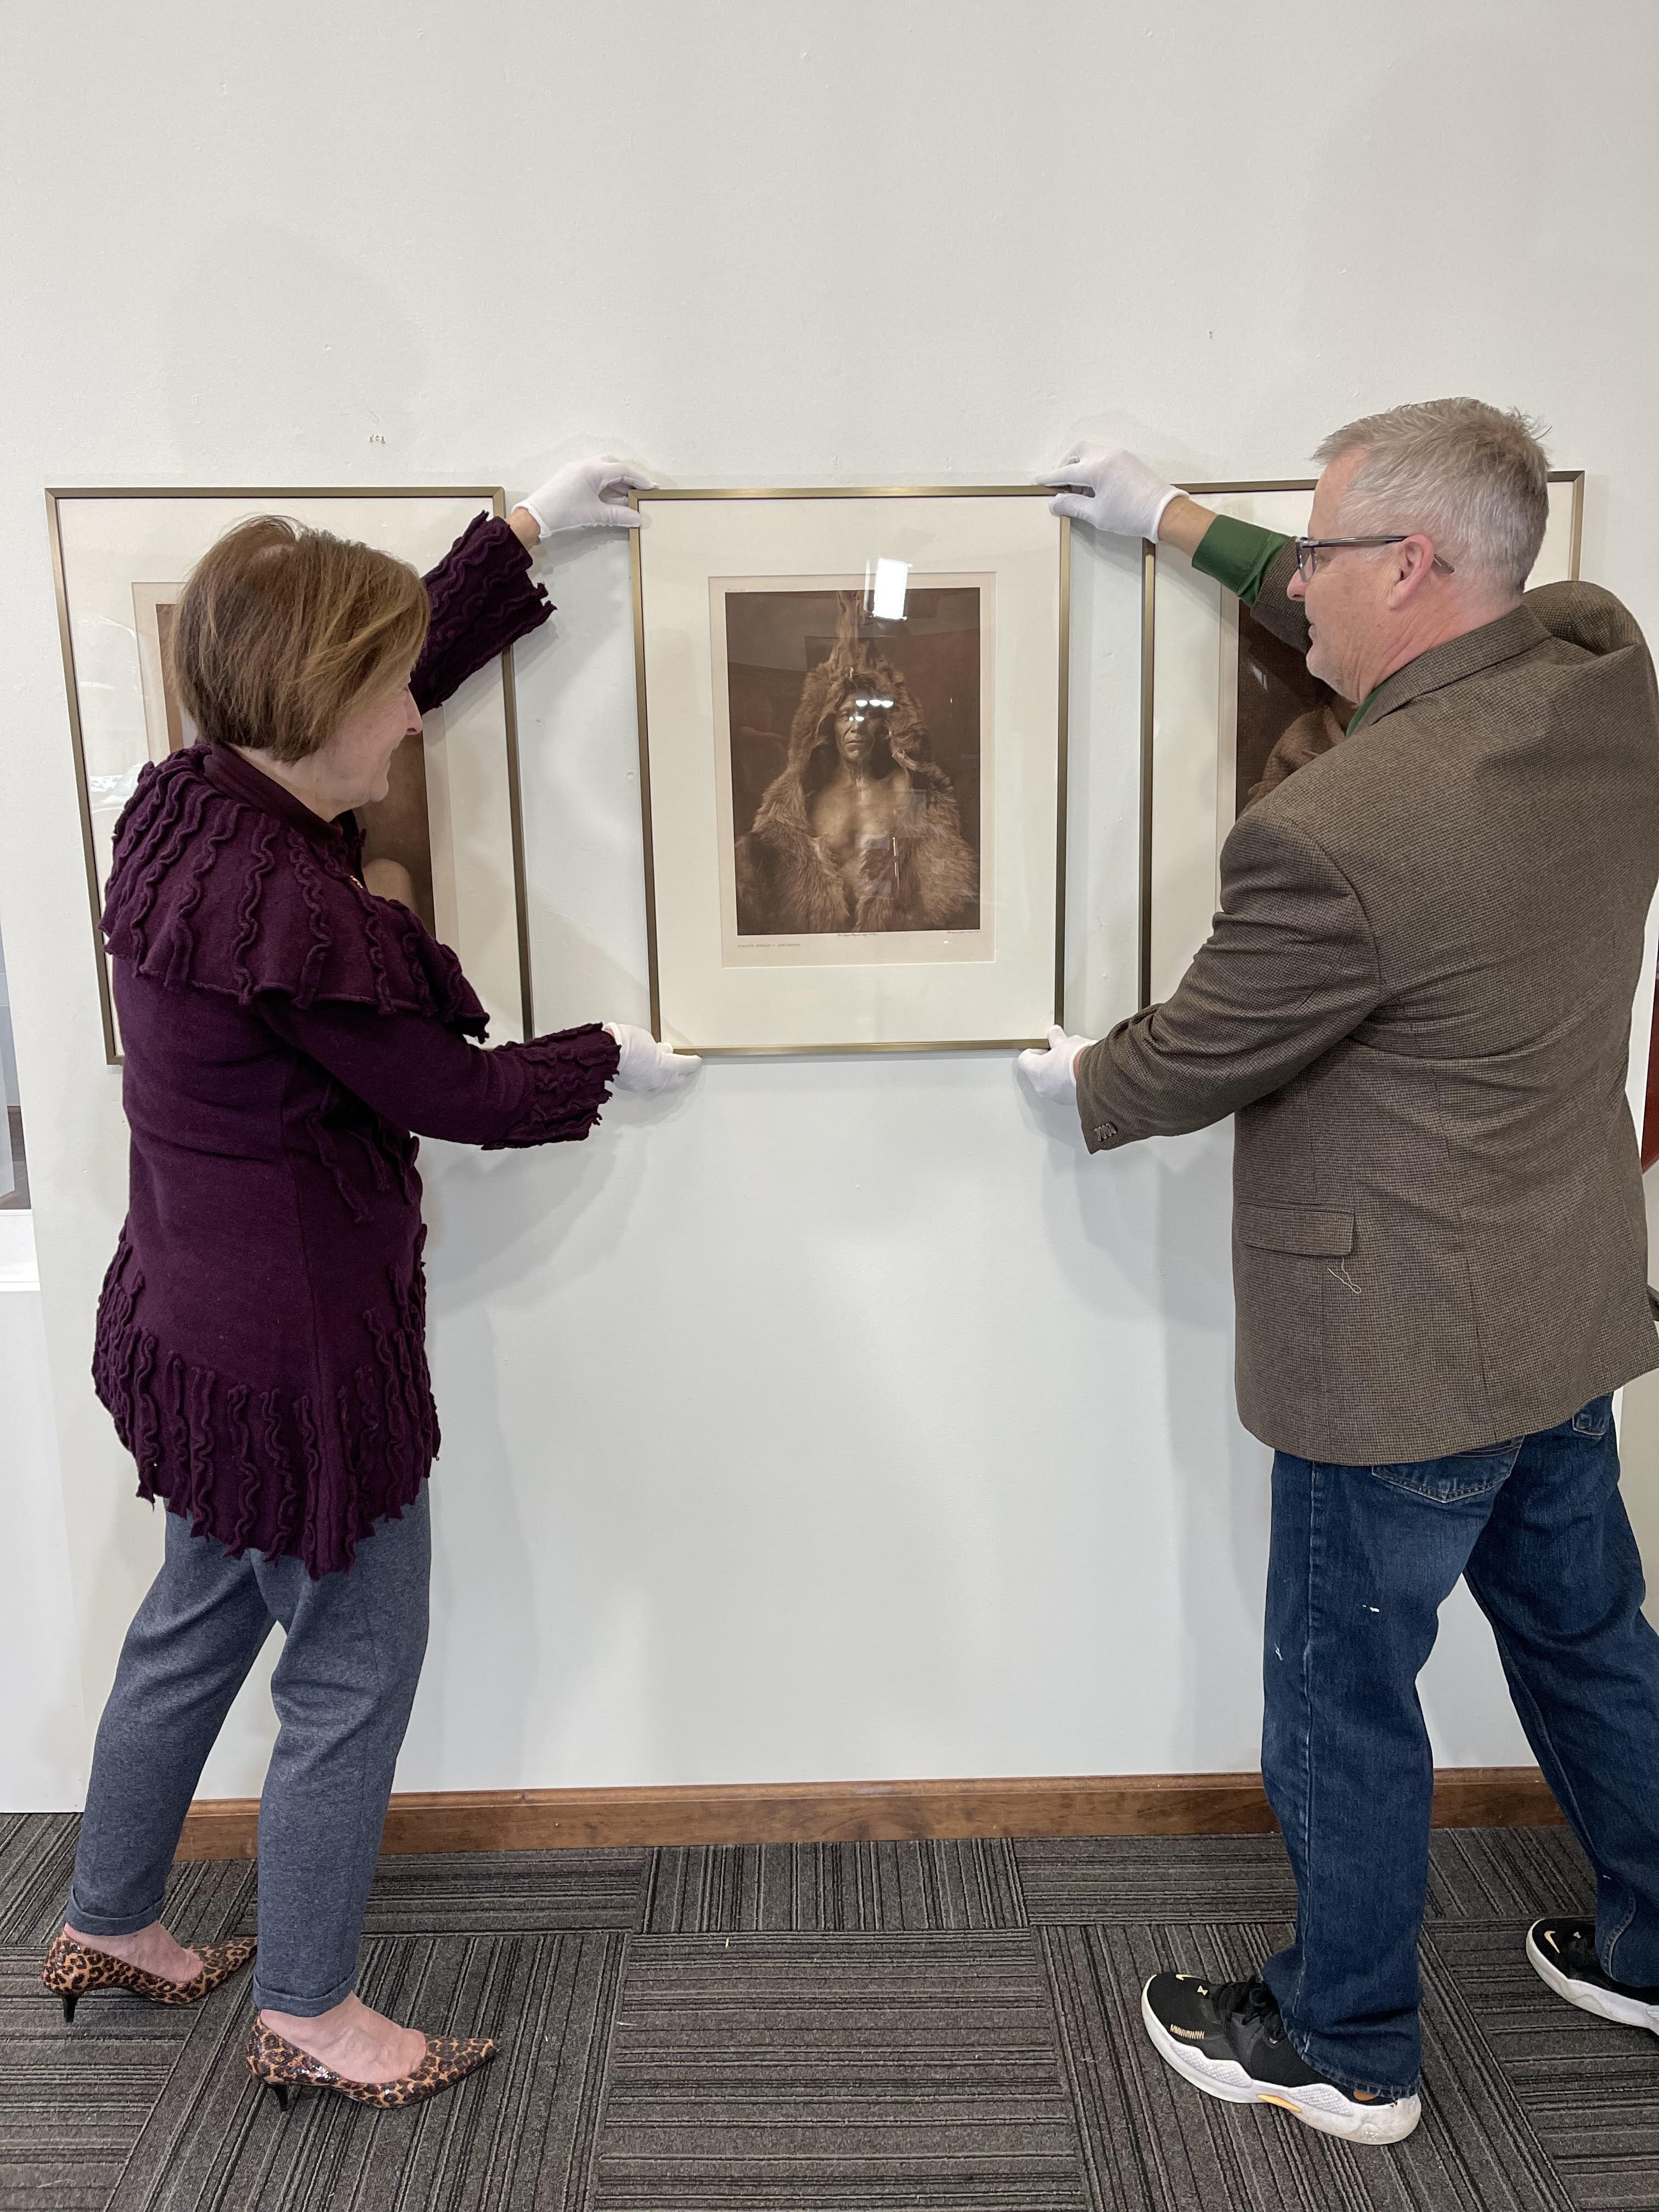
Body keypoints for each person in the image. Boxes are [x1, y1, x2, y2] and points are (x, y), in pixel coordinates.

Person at [1024, 402, 1659, 2146]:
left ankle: (1349, 2041)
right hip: (1558, 1302)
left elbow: (1195, 1056)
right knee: (1591, 1636)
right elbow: (1383, 599)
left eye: (1318, 551)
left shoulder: (1348, 825)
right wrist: (1176, 524)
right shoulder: (1610, 675)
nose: (1292, 577)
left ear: (1410, 564)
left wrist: (1073, 1076)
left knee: (1341, 1690)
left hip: (1397, 1359)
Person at [42, 458, 697, 2113]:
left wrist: (517, 539)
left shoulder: (181, 807)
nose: (413, 726)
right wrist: (616, 1061)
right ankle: (314, 2013)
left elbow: (362, 673)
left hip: (192, 1325)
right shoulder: (290, 902)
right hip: (301, 1370)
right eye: (389, 697)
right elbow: (457, 1097)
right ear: (319, 704)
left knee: (190, 1624)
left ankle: (112, 1917)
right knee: (348, 1674)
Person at [735, 596, 977, 934]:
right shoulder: (805, 798)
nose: (856, 726)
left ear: (884, 726)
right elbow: (764, 883)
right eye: (846, 715)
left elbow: (940, 888)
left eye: (867, 715)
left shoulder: (908, 789)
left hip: (891, 946)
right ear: (829, 726)